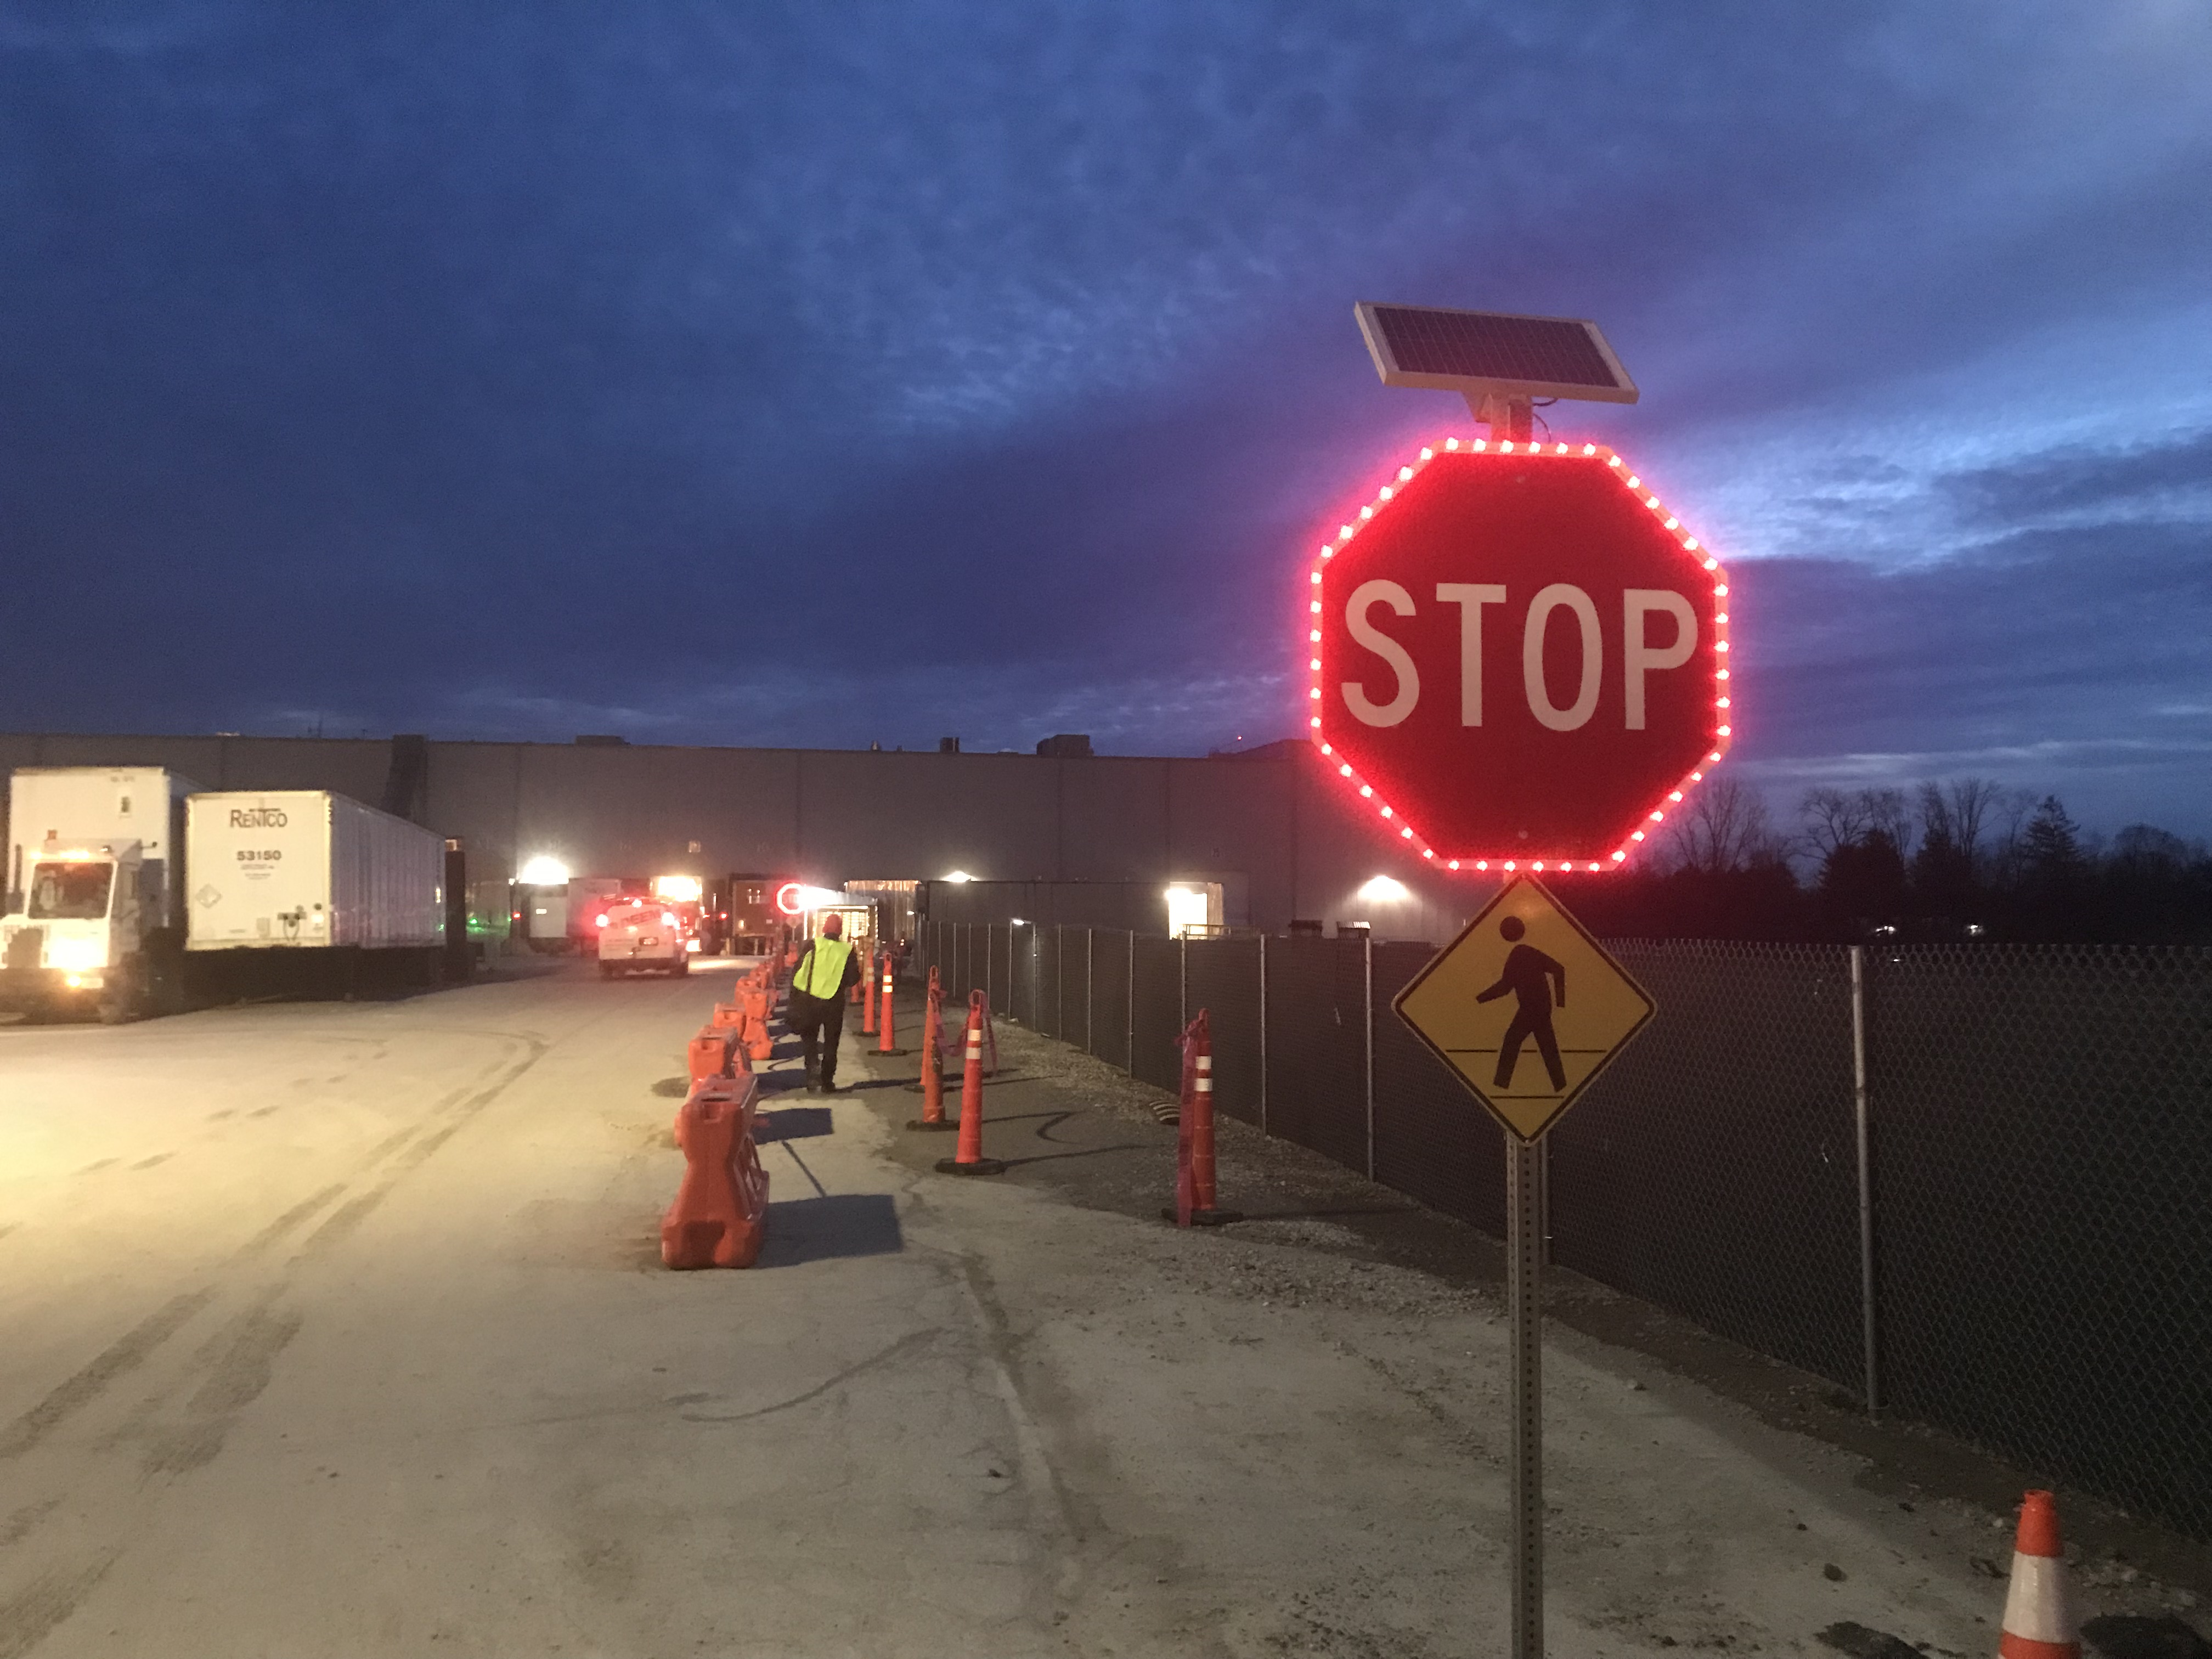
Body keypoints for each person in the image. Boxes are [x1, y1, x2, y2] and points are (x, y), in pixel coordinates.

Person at [1474, 915, 1568, 1091]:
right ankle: (1561, 1085)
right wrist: (1479, 999)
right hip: (1538, 1008)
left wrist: (1561, 1003)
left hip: (1533, 1009)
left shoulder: (1521, 954)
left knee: (1512, 1040)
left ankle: (1500, 1085)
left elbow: (1558, 970)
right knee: (1547, 1047)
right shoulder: (1521, 953)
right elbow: (1506, 987)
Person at [787, 913, 862, 1093]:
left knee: (810, 1040)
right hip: (833, 1004)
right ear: (840, 931)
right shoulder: (847, 951)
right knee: (831, 1043)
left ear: (824, 930)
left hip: (809, 1000)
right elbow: (853, 980)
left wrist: (794, 997)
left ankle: (812, 1074)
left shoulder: (813, 945)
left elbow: (797, 971)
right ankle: (828, 1082)